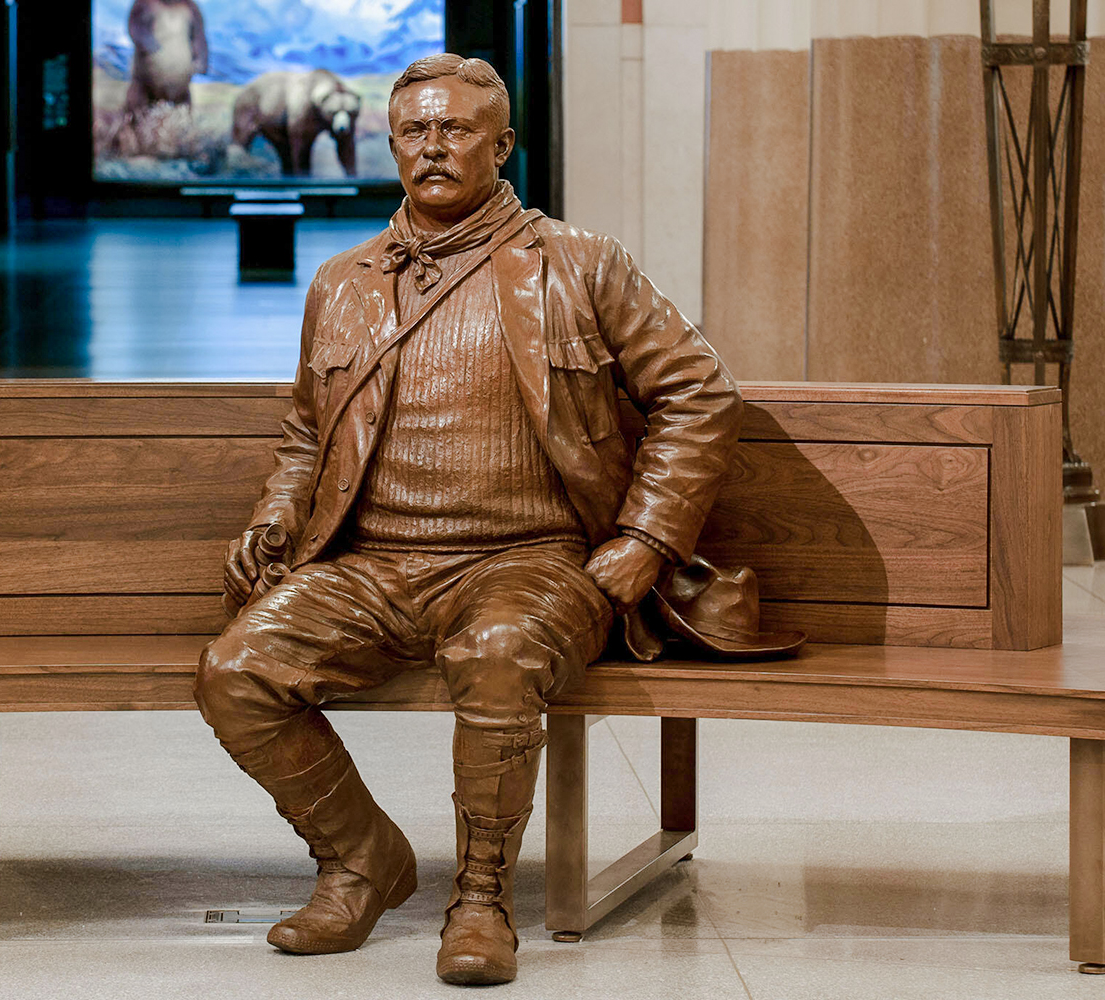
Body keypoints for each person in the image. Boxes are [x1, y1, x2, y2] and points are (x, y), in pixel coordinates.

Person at [193, 53, 742, 986]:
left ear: (503, 145)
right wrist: (279, 517)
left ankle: (483, 896)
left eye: (456, 130)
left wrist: (646, 541)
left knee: (497, 653)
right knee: (235, 670)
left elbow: (699, 392)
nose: (433, 147)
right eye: (414, 131)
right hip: (372, 566)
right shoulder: (345, 281)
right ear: (391, 144)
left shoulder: (578, 262)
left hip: (530, 563)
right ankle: (362, 860)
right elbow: (305, 432)